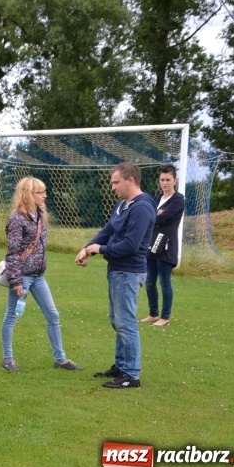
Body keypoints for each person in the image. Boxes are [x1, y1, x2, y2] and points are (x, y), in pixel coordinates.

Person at [75, 162, 155, 389]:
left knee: (126, 322)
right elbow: (107, 231)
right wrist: (87, 247)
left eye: (116, 182)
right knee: (117, 320)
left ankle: (131, 375)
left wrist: (99, 250)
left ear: (131, 180)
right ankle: (121, 366)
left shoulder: (142, 208)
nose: (113, 187)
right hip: (117, 271)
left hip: (129, 272)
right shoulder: (123, 206)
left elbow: (130, 245)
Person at [0, 177, 83, 373]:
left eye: (44, 191)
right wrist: (16, 280)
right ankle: (8, 358)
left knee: (53, 314)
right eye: (40, 192)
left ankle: (60, 359)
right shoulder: (16, 219)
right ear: (27, 194)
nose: (44, 195)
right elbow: (12, 252)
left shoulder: (39, 215)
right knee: (12, 316)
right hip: (23, 276)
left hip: (38, 276)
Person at [141, 164, 185, 327]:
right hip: (152, 244)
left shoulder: (178, 199)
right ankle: (153, 313)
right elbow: (150, 216)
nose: (165, 183)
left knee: (164, 281)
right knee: (149, 281)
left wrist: (156, 215)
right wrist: (155, 214)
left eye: (168, 180)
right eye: (162, 180)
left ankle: (165, 317)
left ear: (174, 181)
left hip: (166, 245)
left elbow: (162, 219)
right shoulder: (157, 199)